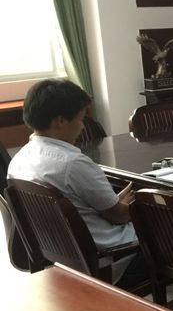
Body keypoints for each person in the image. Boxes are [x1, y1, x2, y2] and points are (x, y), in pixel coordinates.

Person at [7, 79, 145, 287]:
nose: (82, 127)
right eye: (80, 119)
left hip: (61, 258)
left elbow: (81, 207)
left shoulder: (18, 160)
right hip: (108, 262)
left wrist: (116, 202)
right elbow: (119, 216)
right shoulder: (72, 164)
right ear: (60, 121)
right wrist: (130, 204)